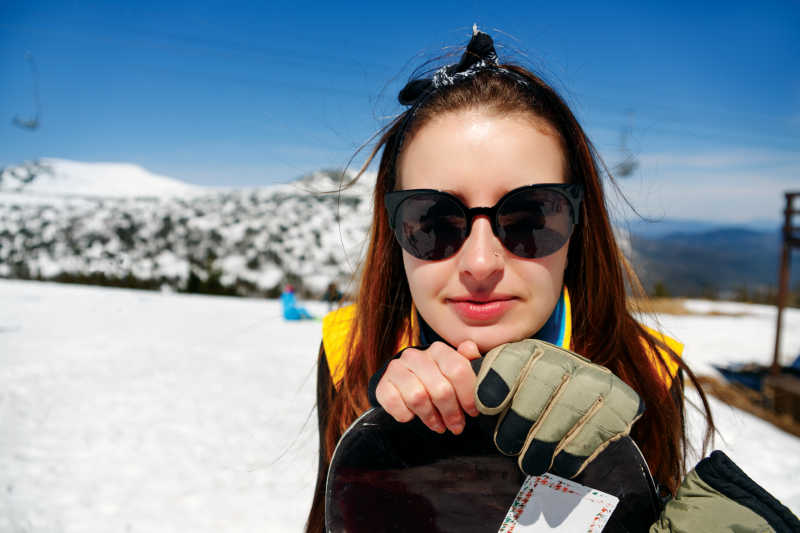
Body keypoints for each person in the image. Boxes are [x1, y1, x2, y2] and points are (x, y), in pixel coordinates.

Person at [306, 29, 799, 533]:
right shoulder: (350, 352)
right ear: (395, 234)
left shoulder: (647, 372)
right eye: (433, 223)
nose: (480, 262)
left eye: (529, 219)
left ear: (577, 225)